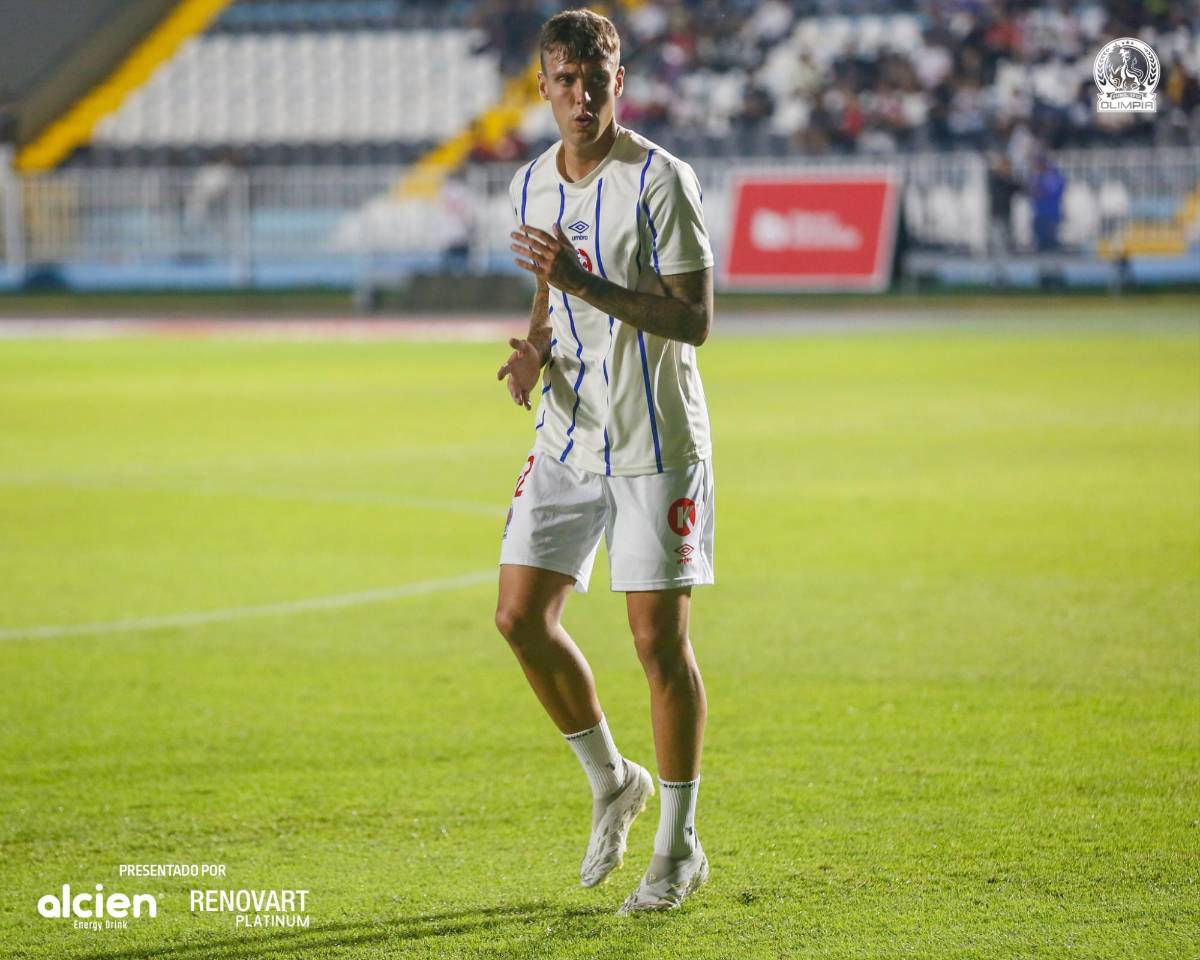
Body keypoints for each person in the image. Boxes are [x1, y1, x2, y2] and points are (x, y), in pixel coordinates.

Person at [494, 8, 714, 915]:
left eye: (596, 78)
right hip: (566, 434)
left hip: (654, 440)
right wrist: (534, 348)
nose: (581, 96)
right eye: (565, 80)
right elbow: (548, 290)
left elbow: (694, 318)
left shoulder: (660, 180)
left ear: (619, 81)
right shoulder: (528, 184)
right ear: (543, 87)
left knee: (657, 645)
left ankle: (677, 843)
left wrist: (583, 282)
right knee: (518, 618)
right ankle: (611, 779)